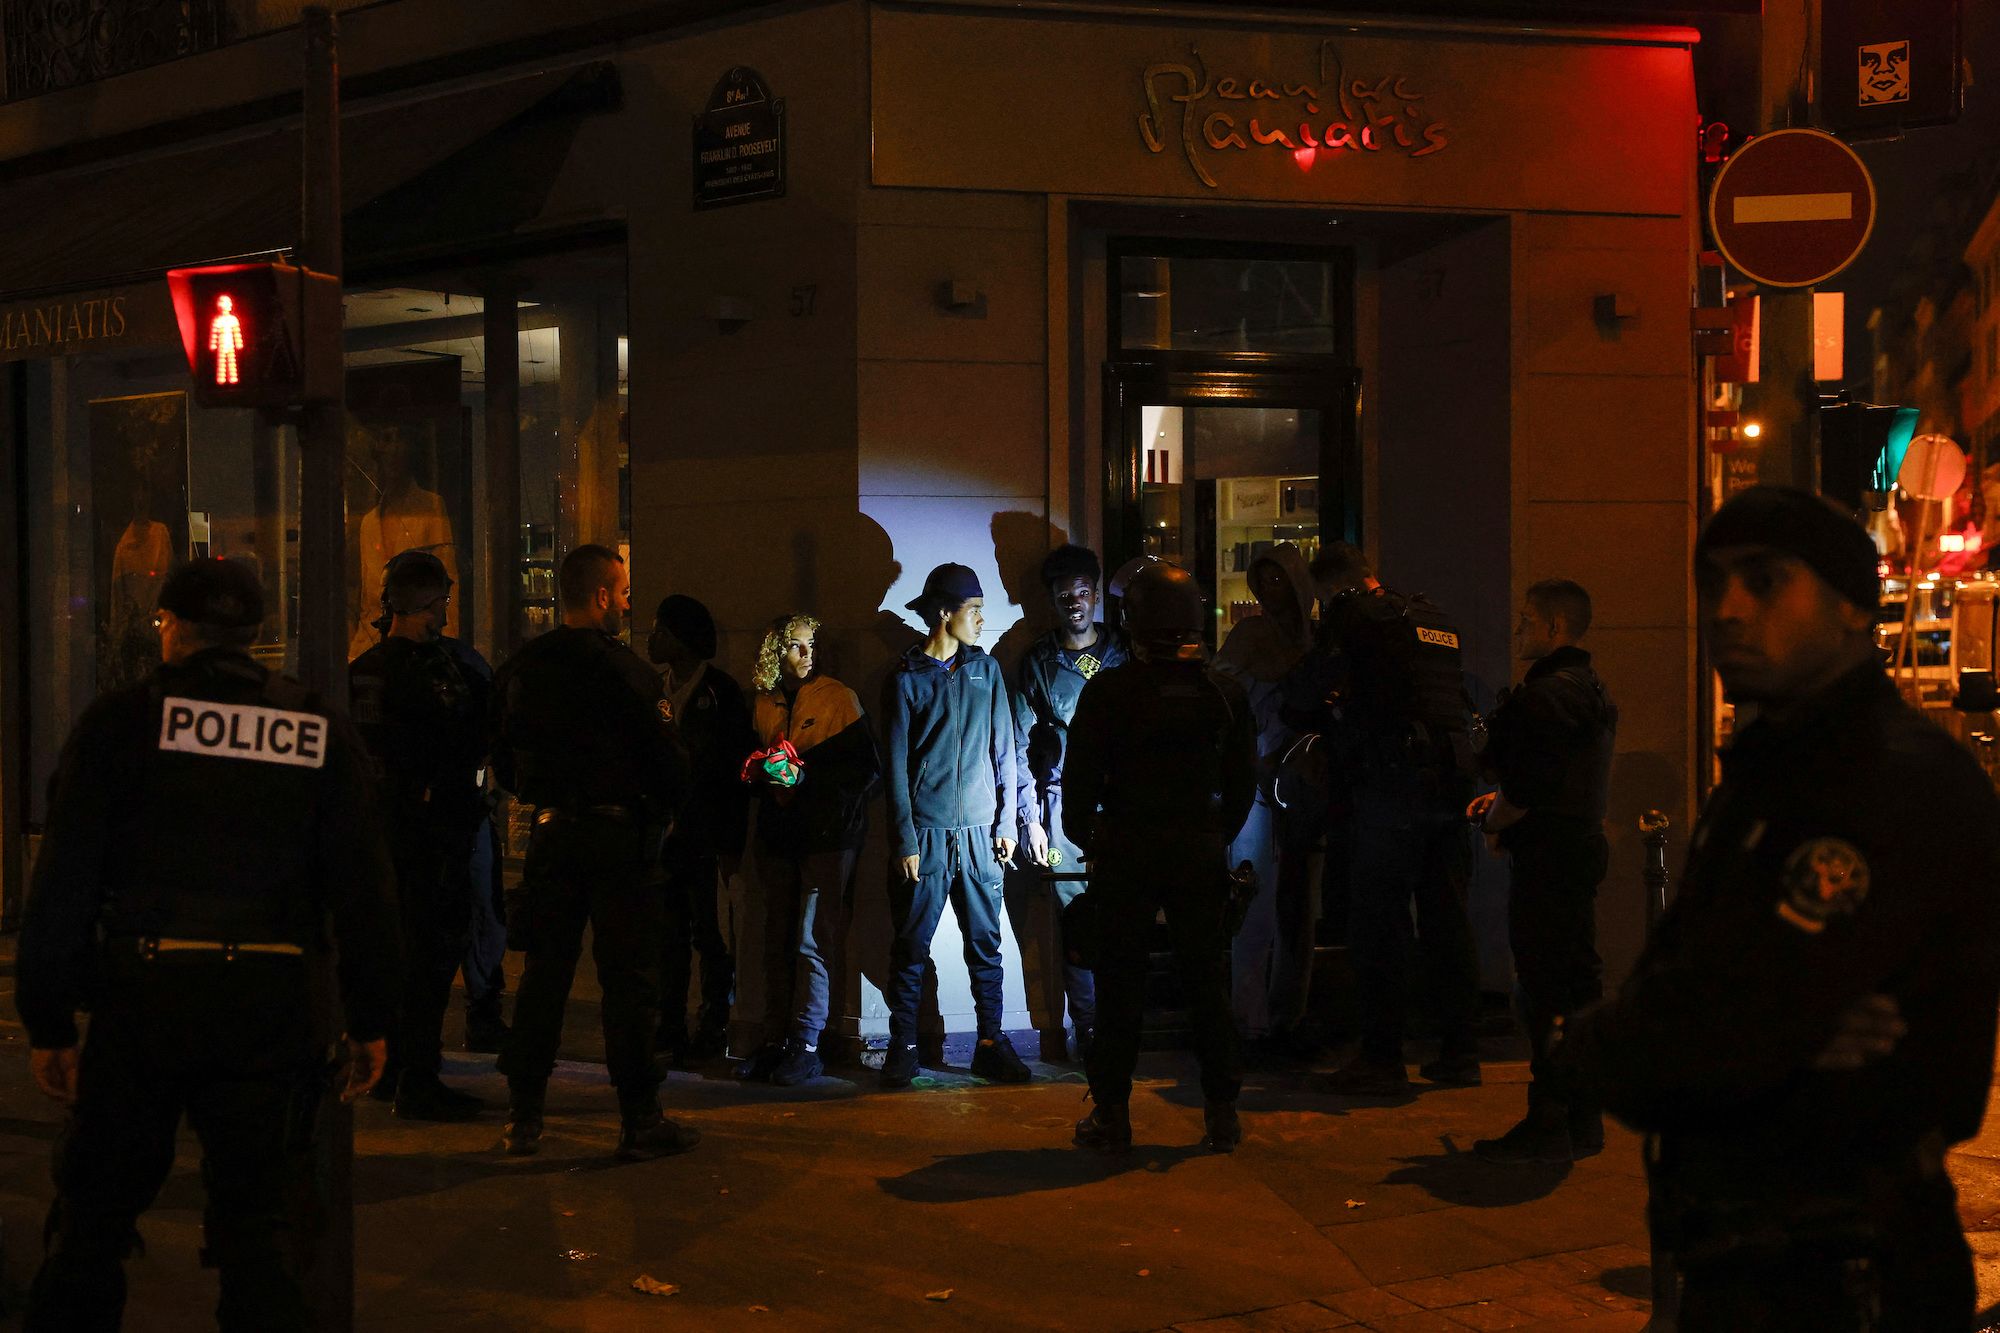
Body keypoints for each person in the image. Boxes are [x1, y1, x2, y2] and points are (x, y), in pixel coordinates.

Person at [1556, 487, 2000, 1330]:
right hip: (1758, 1258)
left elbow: (1720, 1018)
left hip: (1844, 1271)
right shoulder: (1778, 765)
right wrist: (1770, 1027)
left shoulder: (1883, 776)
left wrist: (1603, 1041)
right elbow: (1722, 996)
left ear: (1851, 606)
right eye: (1712, 581)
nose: (1726, 609)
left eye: (1765, 581)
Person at [17, 559, 399, 1331]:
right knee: (260, 1232)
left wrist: (49, 1018)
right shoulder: (313, 727)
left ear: (170, 628)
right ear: (254, 637)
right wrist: (372, 1016)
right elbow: (363, 886)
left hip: (144, 998)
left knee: (92, 1224)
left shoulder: (124, 722)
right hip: (268, 1005)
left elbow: (62, 882)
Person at [489, 544, 695, 1160]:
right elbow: (669, 763)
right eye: (624, 590)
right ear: (601, 595)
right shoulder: (626, 672)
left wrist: (536, 791)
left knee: (542, 978)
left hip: (552, 834)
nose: (630, 602)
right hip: (618, 839)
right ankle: (639, 1117)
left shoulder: (526, 666)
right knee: (629, 980)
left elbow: (501, 752)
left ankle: (524, 1115)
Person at [1064, 562, 1257, 1153]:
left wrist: (1095, 840)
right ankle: (1222, 1113)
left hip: (1127, 852)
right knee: (1207, 985)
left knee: (1120, 988)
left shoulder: (1110, 692)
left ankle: (1113, 1116)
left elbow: (1078, 794)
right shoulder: (1223, 692)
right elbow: (1243, 784)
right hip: (1198, 853)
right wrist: (1212, 837)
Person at [1307, 541, 1482, 1095]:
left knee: (1379, 924)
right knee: (1448, 919)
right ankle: (1460, 1053)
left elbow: (1313, 690)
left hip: (1391, 784)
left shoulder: (1352, 615)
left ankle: (1382, 1055)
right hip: (1448, 784)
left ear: (1335, 586)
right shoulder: (1428, 616)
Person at [1466, 578, 1617, 1164]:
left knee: (1544, 989)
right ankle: (1583, 1116)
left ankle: (1548, 1119)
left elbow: (1527, 787)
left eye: (1527, 619)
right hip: (1577, 847)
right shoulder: (1591, 688)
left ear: (1555, 627)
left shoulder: (1546, 694)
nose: (1520, 629)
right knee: (1578, 983)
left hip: (1549, 858)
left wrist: (1494, 821)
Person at [349, 550, 490, 1121]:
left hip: (380, 832)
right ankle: (419, 1076)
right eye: (442, 605)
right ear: (431, 605)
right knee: (432, 956)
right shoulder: (436, 671)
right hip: (433, 834)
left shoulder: (363, 668)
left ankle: (389, 1068)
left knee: (392, 951)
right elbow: (470, 734)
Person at [882, 562, 1029, 1088]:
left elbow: (1005, 750)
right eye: (975, 611)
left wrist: (1006, 823)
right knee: (911, 946)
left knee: (986, 945)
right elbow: (895, 767)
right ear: (945, 613)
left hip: (981, 836)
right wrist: (904, 837)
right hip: (925, 836)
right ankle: (903, 1047)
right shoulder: (905, 678)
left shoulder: (984, 669)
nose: (982, 622)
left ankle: (990, 1041)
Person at [739, 613, 882, 1085]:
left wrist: (807, 777)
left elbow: (866, 774)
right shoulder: (765, 702)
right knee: (776, 936)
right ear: (774, 652)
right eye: (797, 646)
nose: (807, 654)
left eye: (810, 646)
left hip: (827, 838)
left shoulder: (838, 699)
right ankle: (776, 1037)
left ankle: (806, 1041)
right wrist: (760, 773)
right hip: (780, 837)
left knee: (811, 939)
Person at [1011, 544, 1128, 1061]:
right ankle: (1089, 1026)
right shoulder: (1038, 661)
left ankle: (1123, 1021)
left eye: (1083, 593)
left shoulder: (1125, 653)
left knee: (1125, 913)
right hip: (1062, 808)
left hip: (1124, 803)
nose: (1075, 604)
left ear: (1097, 594)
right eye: (1064, 597)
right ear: (1051, 602)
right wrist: (1030, 819)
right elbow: (1018, 743)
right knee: (1076, 916)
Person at [1213, 542, 1318, 1049]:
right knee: (1251, 901)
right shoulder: (1251, 635)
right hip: (1256, 783)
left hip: (1301, 787)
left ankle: (1286, 1020)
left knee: (1299, 908)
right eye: (1264, 581)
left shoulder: (1318, 642)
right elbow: (1221, 694)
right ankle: (1249, 1020)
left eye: (1281, 581)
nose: (1270, 591)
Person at [646, 594, 755, 1066]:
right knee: (667, 937)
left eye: (661, 631)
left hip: (707, 839)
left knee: (711, 937)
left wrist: (729, 843)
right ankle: (669, 1025)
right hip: (666, 840)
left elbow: (735, 772)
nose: (652, 639)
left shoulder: (722, 694)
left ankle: (714, 1025)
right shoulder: (654, 691)